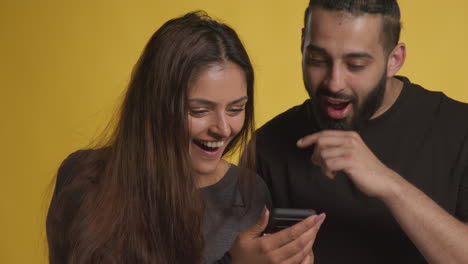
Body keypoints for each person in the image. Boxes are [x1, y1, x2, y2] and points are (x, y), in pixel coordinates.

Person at [46, 11, 324, 264]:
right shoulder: (85, 178)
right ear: (155, 105)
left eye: (236, 109)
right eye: (200, 110)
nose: (223, 128)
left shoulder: (249, 193)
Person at [255, 0, 468, 263]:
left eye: (355, 65)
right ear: (302, 44)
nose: (334, 82)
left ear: (394, 60)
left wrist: (389, 185)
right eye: (317, 59)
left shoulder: (460, 130)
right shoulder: (267, 145)